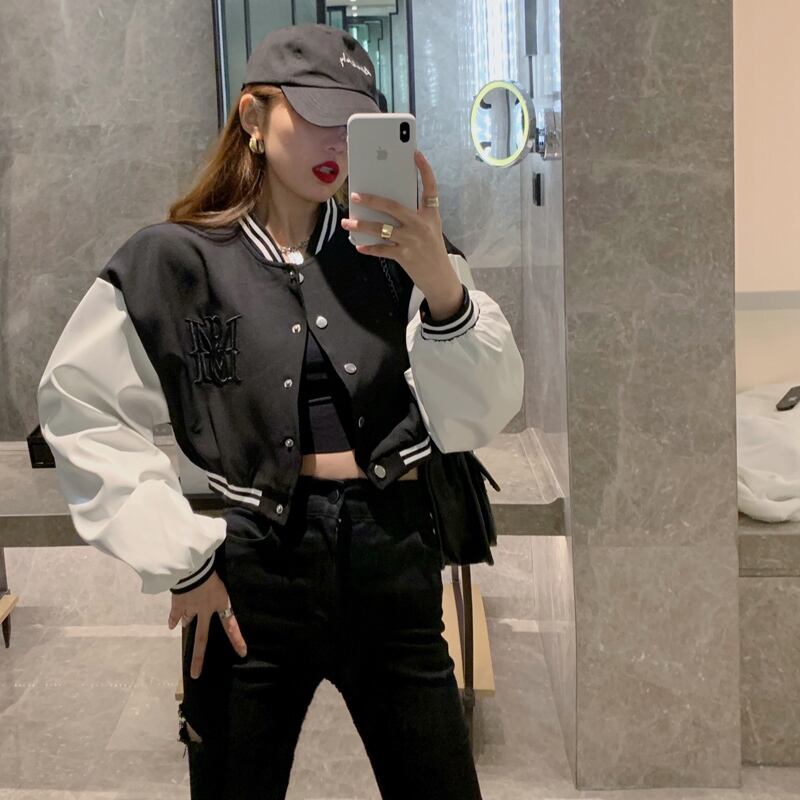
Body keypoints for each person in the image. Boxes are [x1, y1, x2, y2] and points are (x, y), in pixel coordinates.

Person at [37, 22, 523, 800]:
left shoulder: (403, 250)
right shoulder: (175, 260)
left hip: (393, 553)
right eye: (316, 114)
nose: (336, 141)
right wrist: (182, 557)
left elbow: (480, 413)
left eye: (355, 122)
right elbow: (80, 406)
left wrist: (439, 279)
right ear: (253, 119)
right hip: (251, 573)